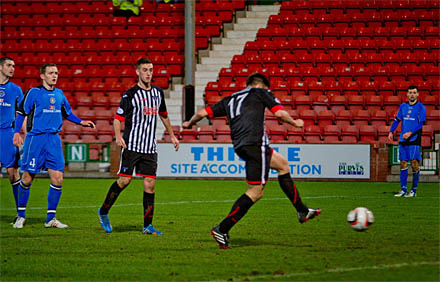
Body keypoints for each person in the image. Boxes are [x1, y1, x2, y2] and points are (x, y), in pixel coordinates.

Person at [183, 73, 321, 249]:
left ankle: (302, 210)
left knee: (283, 165)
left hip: (241, 145)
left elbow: (203, 113)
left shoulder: (230, 99)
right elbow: (279, 113)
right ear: (261, 86)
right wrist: (295, 123)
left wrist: (189, 123)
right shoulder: (260, 92)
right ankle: (222, 229)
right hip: (255, 144)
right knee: (255, 192)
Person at [98, 58, 179, 234]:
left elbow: (163, 115)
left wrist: (172, 135)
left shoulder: (158, 93)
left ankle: (147, 225)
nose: (148, 73)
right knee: (124, 181)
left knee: (150, 184)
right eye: (145, 70)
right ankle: (103, 211)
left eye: (150, 70)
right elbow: (117, 119)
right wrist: (119, 136)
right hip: (132, 145)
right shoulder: (130, 95)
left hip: (150, 147)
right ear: (137, 72)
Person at [12, 63, 96, 229]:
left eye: (56, 73)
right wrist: (16, 133)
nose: (54, 76)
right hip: (35, 139)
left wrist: (81, 122)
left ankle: (51, 218)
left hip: (53, 140)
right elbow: (22, 112)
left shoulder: (59, 94)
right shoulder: (33, 93)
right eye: (51, 73)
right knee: (28, 178)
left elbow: (68, 113)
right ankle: (20, 216)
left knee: (58, 178)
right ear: (42, 76)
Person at [388, 85, 426, 198]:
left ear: (417, 94)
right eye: (410, 92)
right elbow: (397, 120)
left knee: (414, 163)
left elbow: (420, 124)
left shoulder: (421, 107)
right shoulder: (403, 107)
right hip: (403, 139)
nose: (412, 94)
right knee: (403, 163)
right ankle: (403, 189)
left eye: (414, 92)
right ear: (407, 94)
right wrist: (391, 131)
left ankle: (413, 190)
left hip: (414, 139)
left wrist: (410, 133)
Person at [0, 57, 24, 221]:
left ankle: (19, 213)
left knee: (13, 173)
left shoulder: (16, 90)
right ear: (0, 67)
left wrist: (25, 134)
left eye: (14, 66)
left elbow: (22, 115)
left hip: (7, 134)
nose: (12, 68)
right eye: (9, 65)